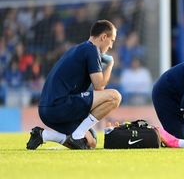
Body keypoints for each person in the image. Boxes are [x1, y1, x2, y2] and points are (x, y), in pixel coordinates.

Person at [26, 20, 122, 150]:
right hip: (59, 105)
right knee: (115, 97)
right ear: (104, 37)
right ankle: (77, 135)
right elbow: (99, 87)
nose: (111, 46)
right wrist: (110, 64)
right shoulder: (91, 49)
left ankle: (43, 135)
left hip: (46, 109)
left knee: (90, 143)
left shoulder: (79, 48)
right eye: (112, 41)